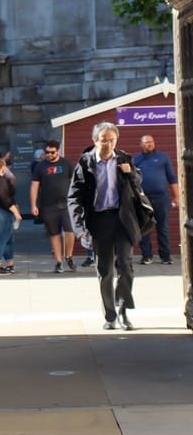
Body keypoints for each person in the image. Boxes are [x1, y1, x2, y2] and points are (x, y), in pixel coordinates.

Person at [68, 122, 144, 330]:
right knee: (105, 270)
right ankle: (110, 315)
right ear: (95, 141)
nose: (109, 144)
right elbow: (73, 196)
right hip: (98, 221)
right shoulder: (85, 162)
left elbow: (138, 182)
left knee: (126, 268)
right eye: (104, 140)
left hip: (122, 220)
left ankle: (123, 310)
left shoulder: (124, 158)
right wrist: (79, 227)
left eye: (112, 140)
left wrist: (130, 173)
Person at [30, 140, 76, 273]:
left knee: (69, 231)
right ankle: (59, 261)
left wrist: (77, 201)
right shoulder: (40, 166)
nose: (49, 155)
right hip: (48, 205)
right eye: (47, 152)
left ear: (58, 151)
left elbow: (74, 183)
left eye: (52, 152)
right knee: (54, 234)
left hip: (66, 204)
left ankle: (69, 256)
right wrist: (33, 204)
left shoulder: (66, 163)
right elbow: (34, 187)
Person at [133, 134, 179, 265]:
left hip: (161, 198)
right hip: (143, 199)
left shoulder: (163, 157)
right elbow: (131, 179)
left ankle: (165, 256)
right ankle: (147, 256)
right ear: (141, 144)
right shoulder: (136, 160)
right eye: (147, 142)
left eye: (152, 142)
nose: (150, 144)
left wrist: (177, 196)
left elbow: (172, 178)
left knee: (162, 227)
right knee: (144, 227)